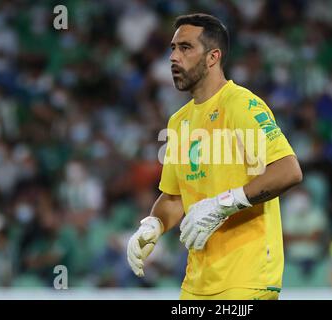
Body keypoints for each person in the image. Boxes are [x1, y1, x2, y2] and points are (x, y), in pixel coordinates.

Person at [126, 13, 302, 300]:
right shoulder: (178, 122)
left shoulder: (241, 104)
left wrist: (224, 204)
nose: (173, 57)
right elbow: (173, 198)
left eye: (185, 48)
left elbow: (288, 170)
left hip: (246, 278)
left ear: (212, 57)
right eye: (172, 48)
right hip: (197, 283)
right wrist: (153, 225)